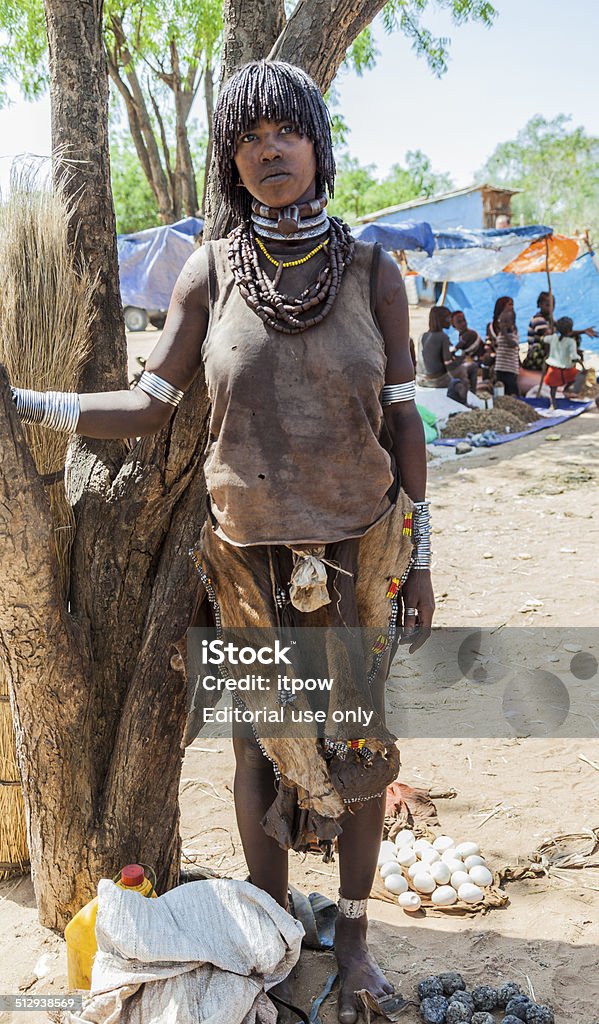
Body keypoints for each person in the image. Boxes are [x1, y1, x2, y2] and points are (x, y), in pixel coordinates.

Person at [9, 61, 434, 1024]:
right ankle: (276, 934)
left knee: (360, 746)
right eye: (247, 140)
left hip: (360, 548)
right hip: (248, 559)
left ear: (317, 147)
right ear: (231, 163)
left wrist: (420, 558)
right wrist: (23, 402)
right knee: (256, 749)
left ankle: (356, 938)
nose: (267, 150)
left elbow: (406, 427)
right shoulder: (208, 272)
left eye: (285, 132)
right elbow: (147, 406)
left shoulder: (371, 272)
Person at [543, 316, 587, 411]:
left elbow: (545, 339)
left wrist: (549, 334)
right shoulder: (571, 342)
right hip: (567, 370)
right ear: (570, 331)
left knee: (553, 388)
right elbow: (574, 357)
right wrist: (582, 365)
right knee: (581, 376)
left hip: (553, 370)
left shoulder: (553, 338)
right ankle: (567, 389)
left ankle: (553, 403)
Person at [494, 306, 520, 396]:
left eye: (506, 322)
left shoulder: (513, 333)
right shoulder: (500, 334)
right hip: (500, 366)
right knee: (500, 386)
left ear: (512, 323)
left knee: (511, 386)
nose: (503, 324)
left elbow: (513, 344)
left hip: (510, 368)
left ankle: (515, 398)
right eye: (501, 321)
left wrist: (505, 334)